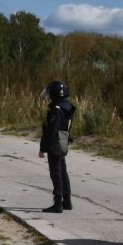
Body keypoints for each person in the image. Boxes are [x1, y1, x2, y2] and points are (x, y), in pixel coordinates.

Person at [36, 80, 75, 213]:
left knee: (56, 171)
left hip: (55, 143)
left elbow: (51, 131)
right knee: (62, 170)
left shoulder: (56, 110)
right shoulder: (67, 106)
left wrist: (43, 148)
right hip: (63, 141)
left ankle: (58, 202)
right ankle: (67, 201)